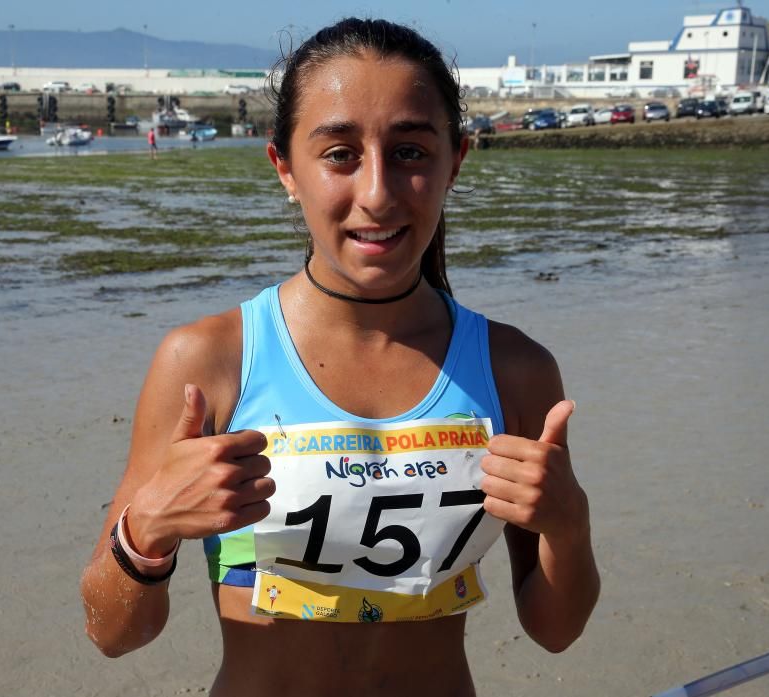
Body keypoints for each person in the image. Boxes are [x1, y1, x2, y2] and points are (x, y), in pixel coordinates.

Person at [80, 18, 599, 696]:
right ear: (285, 168)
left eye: (411, 151)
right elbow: (113, 633)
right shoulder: (207, 364)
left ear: (457, 161)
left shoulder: (515, 370)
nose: (378, 192)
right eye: (340, 154)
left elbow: (555, 629)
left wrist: (569, 519)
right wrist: (146, 530)